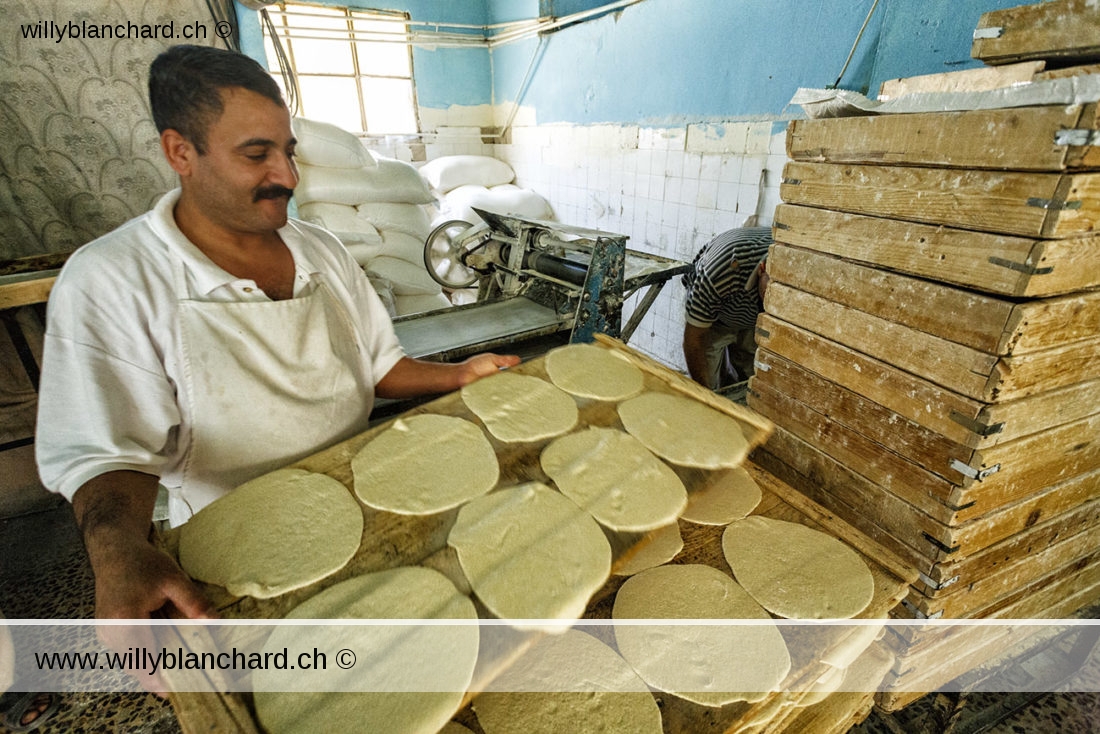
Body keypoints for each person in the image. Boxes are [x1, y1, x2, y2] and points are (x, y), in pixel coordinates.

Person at [34, 45, 519, 640]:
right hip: (236, 547)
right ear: (180, 152)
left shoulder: (322, 251)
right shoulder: (113, 279)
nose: (287, 178)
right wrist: (116, 551)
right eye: (256, 155)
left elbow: (376, 365)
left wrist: (459, 374)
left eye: (287, 152)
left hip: (369, 504)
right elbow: (108, 453)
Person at [681, 226, 772, 389]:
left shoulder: (795, 266)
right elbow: (694, 340)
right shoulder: (722, 270)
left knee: (749, 380)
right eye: (771, 290)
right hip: (717, 317)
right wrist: (706, 396)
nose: (776, 300)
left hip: (752, 320)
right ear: (762, 268)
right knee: (708, 379)